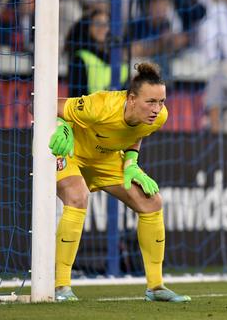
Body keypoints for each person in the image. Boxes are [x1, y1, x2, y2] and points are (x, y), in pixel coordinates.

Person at [48, 62, 191, 303]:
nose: (157, 109)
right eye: (151, 102)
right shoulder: (101, 105)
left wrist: (131, 163)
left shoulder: (159, 117)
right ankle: (61, 286)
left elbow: (135, 135)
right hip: (69, 151)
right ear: (132, 99)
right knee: (77, 196)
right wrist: (62, 126)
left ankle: (155, 287)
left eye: (162, 101)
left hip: (105, 159)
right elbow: (39, 105)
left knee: (152, 202)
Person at [65, 9, 129, 97]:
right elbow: (75, 97)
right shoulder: (80, 58)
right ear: (88, 28)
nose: (102, 27)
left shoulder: (121, 57)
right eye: (97, 23)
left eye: (106, 24)